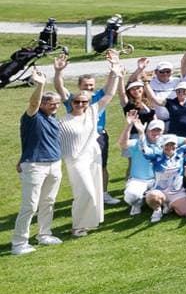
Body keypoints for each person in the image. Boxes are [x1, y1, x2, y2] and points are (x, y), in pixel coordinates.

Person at [53, 48, 123, 204]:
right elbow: (59, 88)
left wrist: (115, 65)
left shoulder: (98, 95)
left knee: (102, 165)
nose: (89, 88)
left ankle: (103, 194)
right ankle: (83, 195)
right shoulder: (73, 99)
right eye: (86, 86)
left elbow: (111, 88)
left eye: (91, 85)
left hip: (99, 135)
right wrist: (58, 72)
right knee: (81, 167)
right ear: (79, 86)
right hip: (79, 138)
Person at [12, 69, 64, 255]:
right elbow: (33, 102)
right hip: (35, 166)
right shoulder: (32, 116)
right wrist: (40, 85)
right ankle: (19, 243)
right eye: (51, 103)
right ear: (42, 103)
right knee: (30, 205)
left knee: (48, 201)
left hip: (54, 164)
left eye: (57, 103)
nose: (55, 106)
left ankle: (44, 234)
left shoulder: (53, 118)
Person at [57, 78, 107, 238]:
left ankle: (87, 224)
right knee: (85, 192)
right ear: (71, 102)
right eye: (77, 102)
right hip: (75, 161)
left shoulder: (92, 112)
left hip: (93, 157)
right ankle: (77, 226)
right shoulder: (62, 122)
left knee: (95, 190)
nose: (80, 104)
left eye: (84, 102)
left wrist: (115, 72)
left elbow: (110, 93)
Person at [142, 132, 186, 222]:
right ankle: (157, 210)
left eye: (173, 144)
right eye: (167, 145)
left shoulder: (180, 151)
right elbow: (145, 151)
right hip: (159, 190)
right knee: (152, 196)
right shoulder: (157, 156)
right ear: (162, 146)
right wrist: (141, 134)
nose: (170, 147)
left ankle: (168, 205)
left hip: (176, 191)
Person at [121, 111, 168, 214]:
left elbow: (185, 141)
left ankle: (152, 201)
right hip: (138, 180)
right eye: (153, 130)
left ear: (162, 132)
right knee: (131, 196)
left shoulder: (166, 142)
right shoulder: (137, 142)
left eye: (158, 130)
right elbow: (123, 144)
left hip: (157, 181)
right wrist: (128, 126)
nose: (156, 133)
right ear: (147, 131)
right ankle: (138, 203)